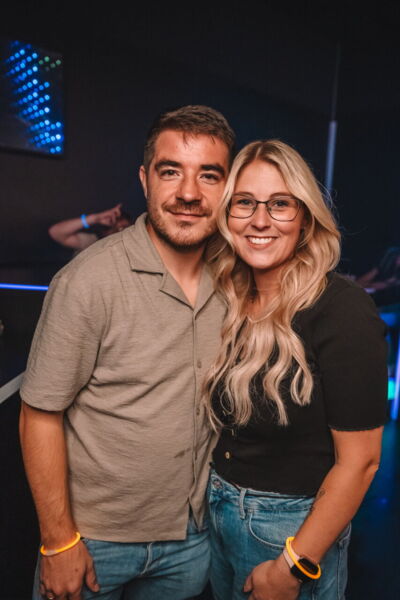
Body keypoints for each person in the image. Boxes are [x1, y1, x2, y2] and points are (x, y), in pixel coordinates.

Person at [19, 105, 235, 600]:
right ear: (144, 180)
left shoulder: (234, 279)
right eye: (170, 171)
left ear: (228, 187)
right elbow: (39, 414)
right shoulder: (87, 281)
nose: (188, 193)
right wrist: (58, 541)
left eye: (209, 175)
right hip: (92, 540)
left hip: (191, 538)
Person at [203, 140, 388, 600]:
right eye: (245, 202)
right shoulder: (232, 297)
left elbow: (361, 462)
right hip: (217, 514)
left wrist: (294, 564)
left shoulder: (342, 310)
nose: (260, 220)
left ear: (305, 218)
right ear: (228, 214)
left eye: (280, 204)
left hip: (288, 529)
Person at [48, 204, 133, 253]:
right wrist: (96, 218)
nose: (120, 233)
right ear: (106, 232)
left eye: (125, 228)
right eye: (117, 229)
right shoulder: (92, 243)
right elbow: (56, 232)